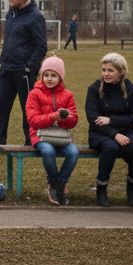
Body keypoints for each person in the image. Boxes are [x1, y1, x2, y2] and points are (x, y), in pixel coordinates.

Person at [0, 0, 47, 151]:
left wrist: (29, 67)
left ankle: (31, 141)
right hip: (6, 68)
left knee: (27, 107)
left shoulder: (35, 17)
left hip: (23, 71)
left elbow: (41, 46)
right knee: (1, 105)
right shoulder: (11, 13)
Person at [85, 52, 133, 207]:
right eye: (104, 70)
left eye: (110, 70)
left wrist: (112, 120)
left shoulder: (131, 89)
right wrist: (114, 133)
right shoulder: (94, 89)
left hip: (126, 131)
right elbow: (93, 118)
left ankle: (132, 187)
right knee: (110, 147)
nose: (106, 73)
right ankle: (101, 189)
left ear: (121, 72)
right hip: (100, 133)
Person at [26, 55, 80, 206]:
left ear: (60, 77)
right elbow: (33, 120)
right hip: (40, 135)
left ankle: (60, 184)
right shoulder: (34, 94)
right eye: (46, 75)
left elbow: (74, 121)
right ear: (41, 76)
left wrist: (66, 117)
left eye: (54, 75)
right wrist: (54, 116)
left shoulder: (68, 95)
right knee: (48, 151)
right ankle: (54, 184)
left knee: (73, 152)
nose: (49, 79)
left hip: (61, 136)